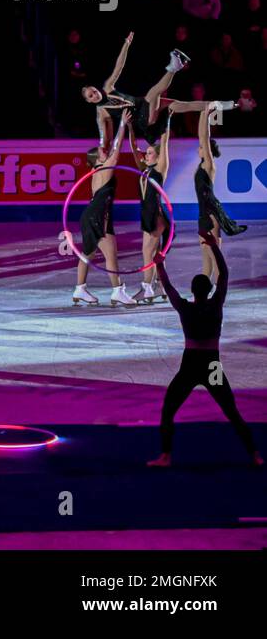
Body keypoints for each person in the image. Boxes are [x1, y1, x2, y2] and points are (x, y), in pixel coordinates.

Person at [146, 238, 262, 468]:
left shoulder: (185, 308)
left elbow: (168, 288)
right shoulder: (216, 304)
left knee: (168, 410)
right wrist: (213, 246)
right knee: (231, 411)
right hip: (212, 367)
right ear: (209, 290)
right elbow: (225, 275)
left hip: (190, 366)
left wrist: (159, 264)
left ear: (192, 290)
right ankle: (255, 456)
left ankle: (166, 457)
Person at [79, 32, 225, 147]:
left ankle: (214, 104)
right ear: (89, 101)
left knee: (177, 104)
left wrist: (126, 45)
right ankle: (173, 68)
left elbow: (119, 66)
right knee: (154, 92)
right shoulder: (101, 113)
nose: (95, 95)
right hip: (142, 119)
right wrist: (102, 148)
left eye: (94, 91)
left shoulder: (108, 86)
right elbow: (105, 138)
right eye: (91, 96)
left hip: (142, 104)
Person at [71, 111, 136, 306]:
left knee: (89, 254)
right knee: (110, 255)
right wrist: (122, 124)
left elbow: (106, 143)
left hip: (95, 215)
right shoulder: (105, 168)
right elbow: (115, 148)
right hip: (97, 216)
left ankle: (80, 289)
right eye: (101, 151)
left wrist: (102, 121)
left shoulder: (96, 168)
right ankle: (117, 291)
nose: (104, 150)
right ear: (97, 158)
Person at [195, 104, 247, 285]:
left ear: (207, 150)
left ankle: (220, 292)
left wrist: (207, 115)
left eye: (202, 146)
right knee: (206, 261)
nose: (199, 147)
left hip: (211, 214)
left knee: (215, 259)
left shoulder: (208, 165)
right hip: (203, 214)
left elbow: (204, 136)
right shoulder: (202, 163)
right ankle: (202, 294)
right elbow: (201, 137)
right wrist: (203, 113)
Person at [130, 115, 171, 304]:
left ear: (157, 156)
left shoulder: (160, 168)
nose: (145, 155)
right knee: (154, 253)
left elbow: (165, 142)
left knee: (148, 253)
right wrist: (129, 126)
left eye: (149, 153)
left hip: (156, 215)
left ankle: (147, 288)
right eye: (145, 153)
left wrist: (166, 122)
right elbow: (133, 147)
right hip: (147, 214)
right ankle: (162, 286)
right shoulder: (144, 169)